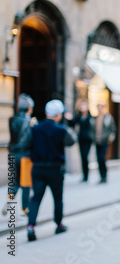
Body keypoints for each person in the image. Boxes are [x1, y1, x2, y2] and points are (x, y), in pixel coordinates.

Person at [20, 99, 77, 241]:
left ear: (46, 113)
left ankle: (30, 226)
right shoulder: (61, 129)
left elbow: (24, 144)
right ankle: (59, 225)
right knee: (57, 198)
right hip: (55, 169)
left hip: (38, 168)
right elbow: (72, 140)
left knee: (36, 198)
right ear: (58, 114)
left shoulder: (35, 128)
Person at [1, 93, 35, 217]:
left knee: (14, 183)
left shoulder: (13, 119)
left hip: (13, 155)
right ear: (29, 108)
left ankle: (10, 199)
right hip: (25, 156)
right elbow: (28, 140)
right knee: (25, 183)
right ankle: (24, 209)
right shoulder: (29, 122)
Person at [90, 103, 116, 184]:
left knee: (102, 158)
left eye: (100, 108)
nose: (99, 109)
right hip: (97, 141)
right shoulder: (95, 118)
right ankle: (101, 177)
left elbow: (113, 128)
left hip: (104, 141)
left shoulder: (107, 117)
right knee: (98, 159)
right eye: (98, 108)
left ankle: (104, 176)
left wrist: (110, 137)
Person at [68, 102, 94, 182]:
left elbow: (93, 128)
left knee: (85, 156)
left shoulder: (90, 117)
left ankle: (86, 175)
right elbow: (72, 123)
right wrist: (69, 118)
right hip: (81, 139)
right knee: (82, 157)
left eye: (84, 106)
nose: (82, 108)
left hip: (88, 140)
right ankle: (84, 176)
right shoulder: (79, 117)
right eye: (81, 107)